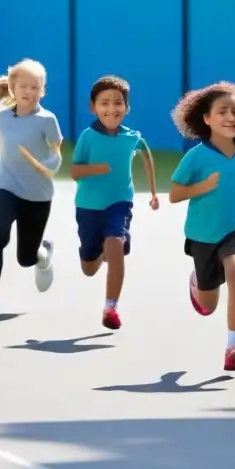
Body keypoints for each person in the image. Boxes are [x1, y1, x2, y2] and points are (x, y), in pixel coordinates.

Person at [169, 81, 235, 372]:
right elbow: (175, 194)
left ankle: (234, 346)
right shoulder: (196, 156)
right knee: (208, 305)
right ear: (207, 119)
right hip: (203, 234)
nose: (231, 117)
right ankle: (197, 282)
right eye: (223, 112)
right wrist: (203, 186)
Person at [71, 75, 159, 330]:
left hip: (119, 203)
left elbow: (146, 157)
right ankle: (95, 251)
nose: (112, 109)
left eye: (118, 103)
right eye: (105, 103)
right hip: (88, 206)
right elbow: (76, 172)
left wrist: (153, 193)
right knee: (89, 268)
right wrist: (96, 168)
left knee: (115, 244)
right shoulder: (87, 137)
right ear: (93, 107)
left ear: (127, 108)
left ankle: (111, 307)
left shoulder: (132, 137)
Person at [0, 59, 63, 316]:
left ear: (42, 90)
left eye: (35, 87)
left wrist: (46, 165)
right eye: (24, 86)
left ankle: (42, 252)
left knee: (25, 259)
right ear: (13, 88)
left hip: (38, 195)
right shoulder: (0, 116)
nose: (29, 92)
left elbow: (56, 154)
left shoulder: (47, 120)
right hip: (6, 186)